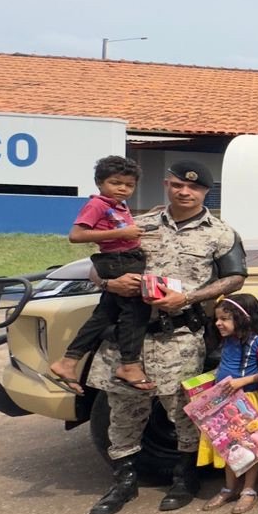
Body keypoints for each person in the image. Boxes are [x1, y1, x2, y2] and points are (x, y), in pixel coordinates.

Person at [88, 160, 247, 514]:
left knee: (184, 411)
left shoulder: (220, 233)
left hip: (179, 337)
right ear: (167, 185)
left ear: (206, 192)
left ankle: (184, 478)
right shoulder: (133, 226)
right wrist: (108, 283)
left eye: (194, 188)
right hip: (129, 339)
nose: (185, 192)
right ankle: (124, 482)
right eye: (178, 185)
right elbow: (96, 266)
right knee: (123, 411)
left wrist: (188, 298)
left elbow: (236, 277)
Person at [48, 156, 152, 394]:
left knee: (103, 315)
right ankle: (129, 364)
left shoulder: (118, 206)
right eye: (116, 182)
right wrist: (124, 233)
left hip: (123, 258)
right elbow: (76, 235)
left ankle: (68, 362)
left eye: (129, 185)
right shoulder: (98, 204)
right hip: (117, 261)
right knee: (136, 311)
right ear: (99, 182)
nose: (123, 188)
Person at [198, 293, 258, 514]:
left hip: (247, 402)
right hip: (223, 403)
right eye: (217, 319)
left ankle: (248, 490)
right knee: (228, 446)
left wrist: (245, 380)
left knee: (249, 447)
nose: (218, 323)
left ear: (242, 318)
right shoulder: (227, 340)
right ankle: (229, 487)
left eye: (224, 319)